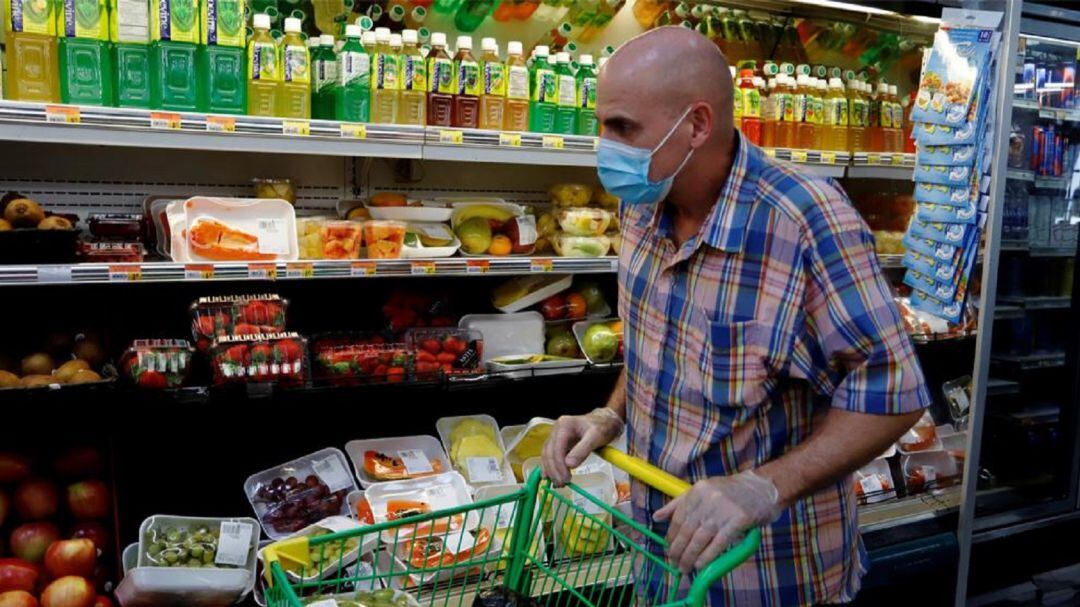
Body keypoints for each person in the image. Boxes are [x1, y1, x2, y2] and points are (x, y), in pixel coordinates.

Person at [540, 27, 931, 607]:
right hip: (663, 556)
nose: (604, 146)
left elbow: (895, 392)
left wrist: (762, 487)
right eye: (602, 126)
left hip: (771, 573)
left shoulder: (804, 221)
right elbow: (656, 340)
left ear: (697, 125)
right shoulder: (642, 207)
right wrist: (609, 415)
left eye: (622, 128)